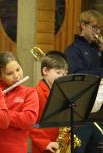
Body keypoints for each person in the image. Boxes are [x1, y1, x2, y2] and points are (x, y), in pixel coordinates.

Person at [64, 10, 103, 153]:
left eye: (100, 28)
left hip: (99, 106)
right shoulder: (73, 50)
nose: (98, 32)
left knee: (96, 148)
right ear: (83, 25)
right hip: (83, 108)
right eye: (95, 27)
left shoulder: (97, 49)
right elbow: (77, 75)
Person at [0, 51, 39, 153]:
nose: (16, 76)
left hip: (17, 149)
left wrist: (0, 114)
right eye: (9, 73)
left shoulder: (30, 93)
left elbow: (28, 119)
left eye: (18, 69)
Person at [29, 51, 68, 153]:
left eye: (64, 74)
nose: (62, 77)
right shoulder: (36, 93)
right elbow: (31, 123)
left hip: (57, 142)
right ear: (45, 71)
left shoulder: (59, 91)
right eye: (58, 72)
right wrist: (45, 143)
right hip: (44, 146)